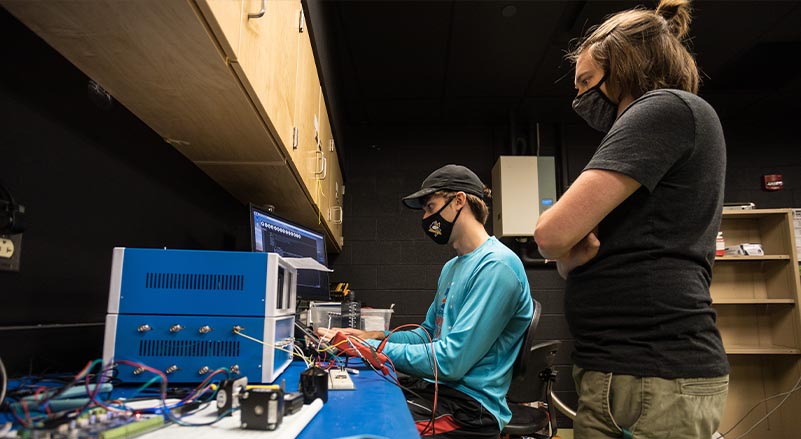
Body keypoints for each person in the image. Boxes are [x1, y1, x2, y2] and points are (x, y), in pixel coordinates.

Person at [534, 0, 729, 438]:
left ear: (623, 66)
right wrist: (568, 255)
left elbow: (550, 235)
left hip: (650, 374)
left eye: (587, 81)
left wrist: (565, 249)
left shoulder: (663, 109)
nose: (580, 97)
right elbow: (568, 258)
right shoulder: (664, 125)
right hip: (626, 372)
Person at [319, 164, 534, 438]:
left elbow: (451, 362)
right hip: (438, 391)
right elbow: (428, 334)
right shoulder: (452, 268)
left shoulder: (496, 266)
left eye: (431, 207)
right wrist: (374, 337)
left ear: (459, 201)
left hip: (470, 410)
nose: (426, 217)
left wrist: (368, 348)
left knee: (360, 427)